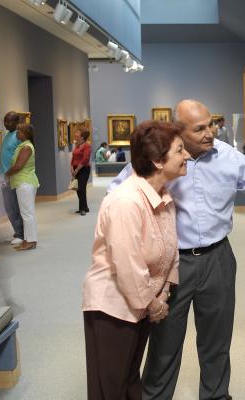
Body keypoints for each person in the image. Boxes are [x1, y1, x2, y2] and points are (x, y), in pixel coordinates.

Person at [108, 99, 245, 399]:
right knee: (164, 342)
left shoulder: (229, 157)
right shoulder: (159, 159)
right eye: (199, 129)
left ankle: (216, 395)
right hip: (172, 263)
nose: (210, 132)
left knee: (217, 341)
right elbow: (120, 193)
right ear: (179, 131)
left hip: (218, 259)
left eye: (210, 124)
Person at [82, 120, 189, 400]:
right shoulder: (125, 202)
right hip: (113, 308)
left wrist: (163, 293)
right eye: (180, 150)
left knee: (129, 381)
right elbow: (128, 265)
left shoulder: (164, 196)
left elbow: (171, 251)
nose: (187, 155)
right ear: (157, 161)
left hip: (142, 304)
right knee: (110, 388)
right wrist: (151, 303)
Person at [5, 123, 39, 251]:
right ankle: (29, 240)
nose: (17, 133)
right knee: (28, 213)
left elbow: (18, 166)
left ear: (25, 134)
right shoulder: (23, 146)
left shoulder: (26, 147)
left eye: (19, 131)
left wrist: (7, 174)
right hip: (23, 182)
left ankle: (30, 241)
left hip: (25, 182)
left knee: (27, 214)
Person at [0, 111, 25, 245]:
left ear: (16, 122)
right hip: (4, 176)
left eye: (9, 121)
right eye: (5, 121)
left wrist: (10, 175)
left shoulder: (18, 136)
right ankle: (16, 232)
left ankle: (21, 234)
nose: (6, 124)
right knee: (9, 206)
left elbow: (20, 160)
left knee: (15, 206)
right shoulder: (7, 135)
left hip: (12, 177)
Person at [71, 129, 92, 215]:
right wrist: (72, 168)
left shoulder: (87, 146)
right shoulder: (77, 145)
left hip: (84, 169)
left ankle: (83, 208)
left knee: (81, 188)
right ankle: (84, 207)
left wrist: (77, 170)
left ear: (82, 136)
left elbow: (85, 159)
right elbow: (73, 157)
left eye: (77, 133)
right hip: (76, 168)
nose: (75, 134)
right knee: (77, 189)